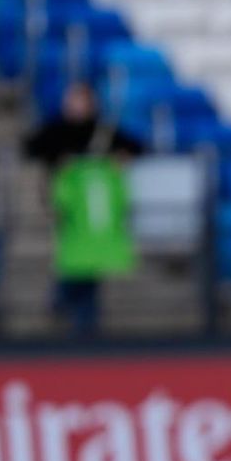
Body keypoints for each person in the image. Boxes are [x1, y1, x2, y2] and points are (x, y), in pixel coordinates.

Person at [22, 82, 144, 337]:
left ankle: (83, 319)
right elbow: (31, 148)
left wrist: (119, 160)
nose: (76, 107)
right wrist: (58, 162)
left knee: (89, 258)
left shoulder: (103, 131)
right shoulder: (56, 129)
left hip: (94, 208)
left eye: (81, 102)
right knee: (73, 253)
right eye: (72, 101)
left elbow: (137, 147)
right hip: (66, 204)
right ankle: (67, 299)